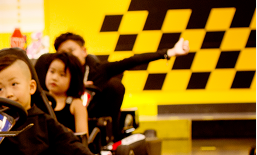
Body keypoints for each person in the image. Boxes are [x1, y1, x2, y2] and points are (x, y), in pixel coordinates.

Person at [0, 48, 122, 155]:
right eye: (0, 88)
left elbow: (73, 146)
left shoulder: (44, 121)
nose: (8, 93)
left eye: (14, 84)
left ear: (31, 87)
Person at [54, 32, 190, 138]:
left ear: (84, 51)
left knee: (115, 85)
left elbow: (131, 61)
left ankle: (114, 136)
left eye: (71, 50)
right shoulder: (52, 75)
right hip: (63, 121)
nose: (68, 56)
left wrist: (169, 53)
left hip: (93, 118)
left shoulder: (99, 70)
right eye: (63, 53)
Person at [44, 52, 87, 134]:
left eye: (62, 75)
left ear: (73, 79)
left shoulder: (76, 105)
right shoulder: (38, 101)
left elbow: (82, 139)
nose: (54, 78)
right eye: (52, 71)